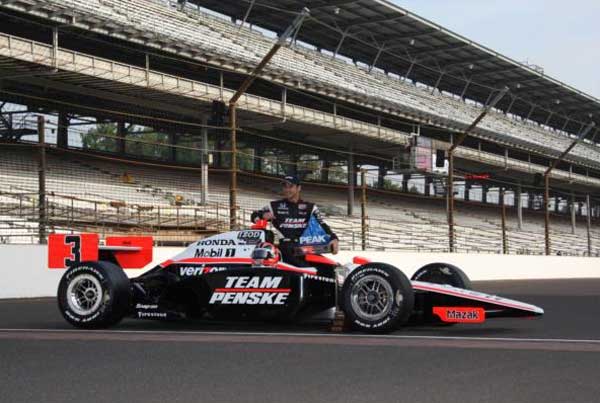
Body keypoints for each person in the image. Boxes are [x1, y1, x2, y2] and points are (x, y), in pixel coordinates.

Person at [251, 175, 339, 266]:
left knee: (328, 269)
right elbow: (254, 216)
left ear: (298, 188)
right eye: (285, 186)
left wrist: (334, 238)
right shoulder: (274, 206)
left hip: (305, 247)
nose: (287, 189)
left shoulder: (310, 207)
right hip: (284, 248)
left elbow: (322, 224)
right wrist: (262, 215)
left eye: (290, 186)